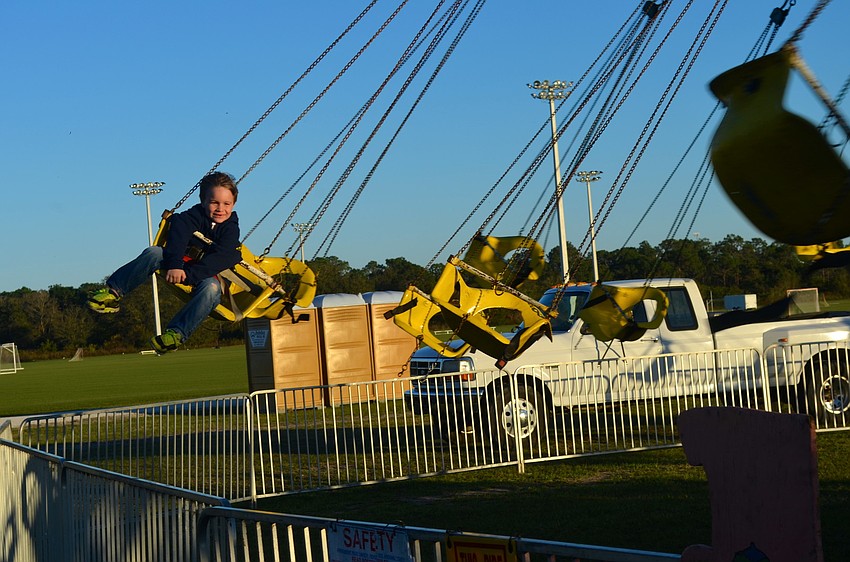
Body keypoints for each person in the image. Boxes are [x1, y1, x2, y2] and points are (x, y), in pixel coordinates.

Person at [88, 171, 242, 353]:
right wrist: (175, 265)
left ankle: (176, 334)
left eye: (227, 204)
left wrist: (190, 276)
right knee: (153, 252)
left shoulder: (231, 229)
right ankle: (113, 292)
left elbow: (222, 257)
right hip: (177, 262)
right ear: (203, 201)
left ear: (233, 204)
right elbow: (178, 234)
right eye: (214, 202)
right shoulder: (192, 216)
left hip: (203, 273)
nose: (220, 209)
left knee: (212, 289)